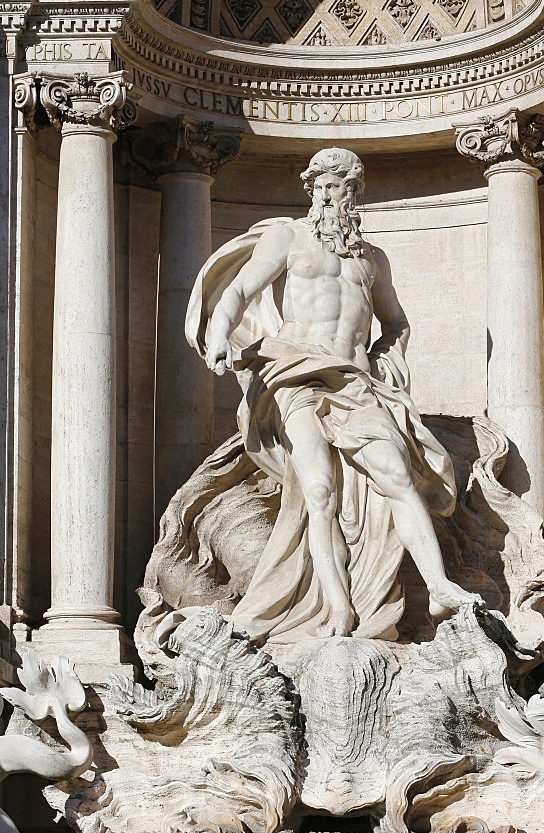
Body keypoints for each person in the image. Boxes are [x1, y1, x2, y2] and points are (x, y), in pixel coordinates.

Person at [185, 147, 477, 643]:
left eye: (334, 183)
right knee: (319, 490)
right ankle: (337, 608)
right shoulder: (288, 237)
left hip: (355, 381)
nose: (323, 191)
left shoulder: (372, 259)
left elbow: (397, 321)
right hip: (295, 372)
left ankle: (440, 587)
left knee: (398, 475)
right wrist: (218, 335)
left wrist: (389, 356)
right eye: (317, 182)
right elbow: (237, 291)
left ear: (353, 191)